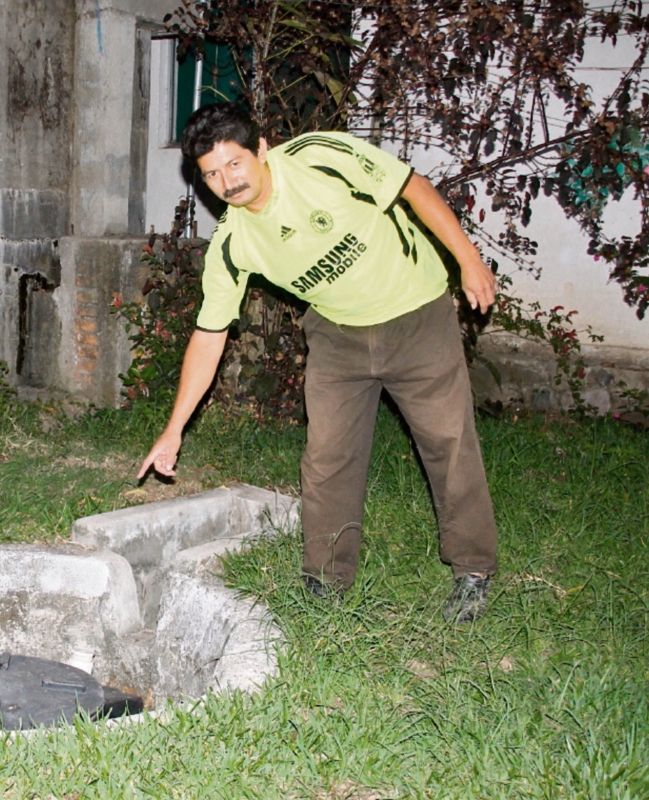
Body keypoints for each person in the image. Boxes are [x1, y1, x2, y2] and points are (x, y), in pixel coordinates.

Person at [137, 103, 498, 622]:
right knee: (327, 458)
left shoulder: (320, 158)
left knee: (449, 442)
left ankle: (473, 570)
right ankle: (325, 581)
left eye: (234, 163)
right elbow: (209, 335)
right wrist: (173, 431)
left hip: (415, 312)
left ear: (261, 149)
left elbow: (411, 186)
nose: (227, 182)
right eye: (211, 173)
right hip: (336, 334)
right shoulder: (233, 243)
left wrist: (468, 258)